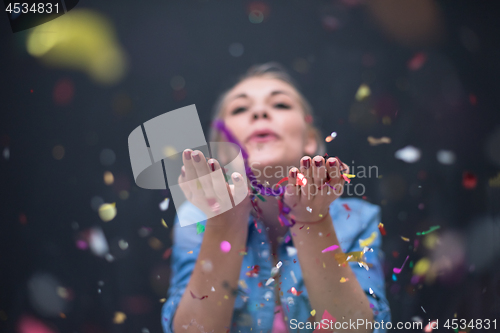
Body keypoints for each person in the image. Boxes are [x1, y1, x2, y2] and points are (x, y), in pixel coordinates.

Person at [161, 62, 391, 333]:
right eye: (240, 109)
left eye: (280, 105)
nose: (259, 112)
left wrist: (313, 222)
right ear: (223, 152)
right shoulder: (196, 217)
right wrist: (224, 223)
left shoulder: (358, 219)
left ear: (310, 141)